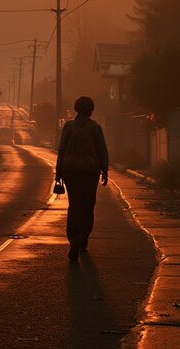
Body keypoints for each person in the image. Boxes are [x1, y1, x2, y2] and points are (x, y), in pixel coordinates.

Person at [55, 96, 109, 261]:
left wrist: (58, 173)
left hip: (70, 171)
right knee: (87, 206)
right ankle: (83, 238)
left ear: (76, 109)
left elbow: (62, 149)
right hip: (89, 172)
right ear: (91, 110)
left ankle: (73, 240)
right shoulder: (95, 128)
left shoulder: (69, 127)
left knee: (74, 206)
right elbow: (102, 150)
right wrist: (105, 171)